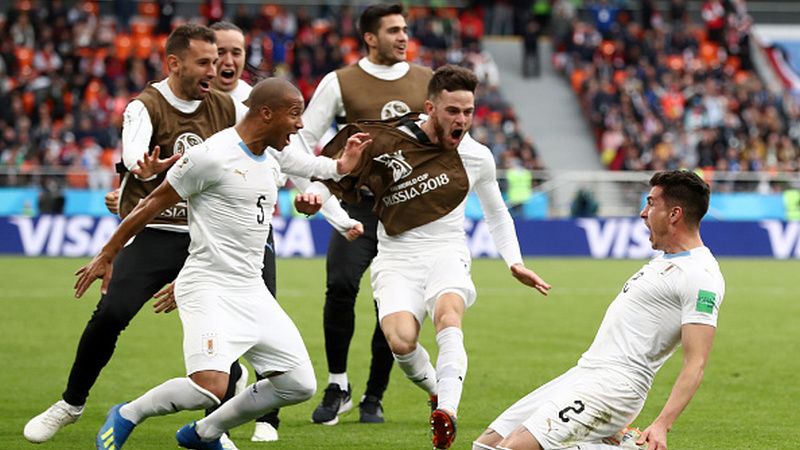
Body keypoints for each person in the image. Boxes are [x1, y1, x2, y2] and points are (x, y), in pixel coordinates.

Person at [75, 78, 368, 450]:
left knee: (299, 384)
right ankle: (128, 413)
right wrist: (108, 252)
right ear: (266, 113)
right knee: (208, 388)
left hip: (251, 289)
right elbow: (150, 203)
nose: (299, 124)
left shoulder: (273, 152)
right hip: (208, 286)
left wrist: (342, 164)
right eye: (294, 114)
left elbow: (310, 164)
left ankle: (204, 434)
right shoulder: (210, 155)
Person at [296, 64, 551, 450]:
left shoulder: (477, 156)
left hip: (447, 252)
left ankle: (446, 411)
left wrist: (514, 261)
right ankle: (436, 390)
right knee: (401, 342)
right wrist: (316, 198)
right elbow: (333, 177)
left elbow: (497, 211)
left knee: (449, 317)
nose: (462, 120)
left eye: (468, 111)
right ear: (430, 108)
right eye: (453, 111)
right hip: (396, 255)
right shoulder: (387, 142)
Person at [23, 24, 243, 445]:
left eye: (216, 62)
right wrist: (141, 168)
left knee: (225, 334)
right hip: (155, 232)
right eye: (204, 62)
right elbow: (134, 154)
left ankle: (215, 428)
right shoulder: (145, 106)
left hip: (208, 237)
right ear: (174, 64)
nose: (214, 70)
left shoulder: (227, 108)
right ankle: (70, 404)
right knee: (110, 314)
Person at [472, 170, 725, 450]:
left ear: (674, 214)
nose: (643, 213)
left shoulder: (701, 274)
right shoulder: (664, 260)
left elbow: (696, 362)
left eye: (651, 203)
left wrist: (662, 424)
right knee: (485, 446)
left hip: (616, 386)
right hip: (585, 373)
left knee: (512, 448)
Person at [279, 3, 434, 425]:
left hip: (406, 214)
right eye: (393, 30)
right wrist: (316, 193)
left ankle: (374, 397)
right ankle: (338, 384)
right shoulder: (340, 82)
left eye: (405, 29)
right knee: (340, 287)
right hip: (356, 207)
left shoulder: (427, 81)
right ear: (369, 37)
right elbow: (298, 143)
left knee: (394, 304)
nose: (403, 37)